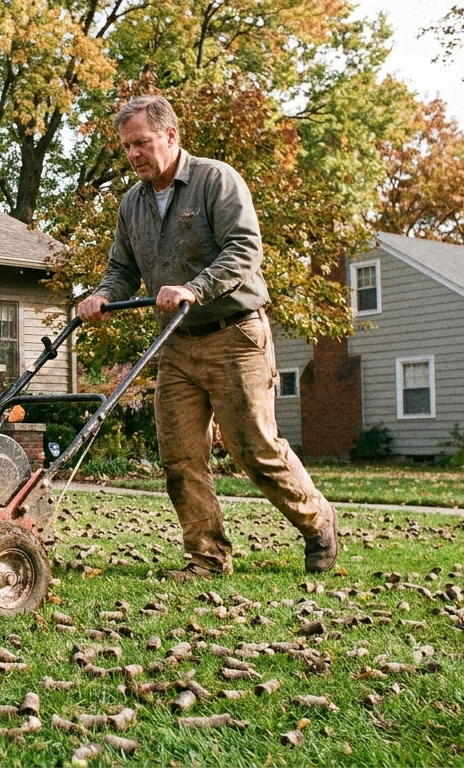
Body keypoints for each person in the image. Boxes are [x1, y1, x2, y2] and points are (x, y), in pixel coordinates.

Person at [76, 94, 339, 581]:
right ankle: (207, 557)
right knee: (179, 456)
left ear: (170, 135)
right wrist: (100, 296)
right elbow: (121, 270)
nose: (133, 154)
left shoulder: (215, 179)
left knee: (254, 449)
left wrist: (194, 289)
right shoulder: (132, 204)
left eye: (141, 143)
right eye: (126, 147)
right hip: (176, 345)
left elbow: (244, 250)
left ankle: (318, 520)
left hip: (233, 334)